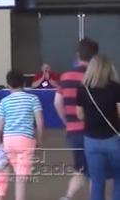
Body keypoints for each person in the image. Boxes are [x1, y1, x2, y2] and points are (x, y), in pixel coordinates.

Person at [56, 37, 100, 200]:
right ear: (96, 57)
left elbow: (57, 102)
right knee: (96, 171)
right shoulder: (97, 77)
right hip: (94, 131)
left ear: (77, 55)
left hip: (74, 131)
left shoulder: (66, 76)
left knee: (80, 169)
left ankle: (68, 197)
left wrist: (66, 121)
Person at [75, 54, 120, 200]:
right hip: (113, 139)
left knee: (97, 181)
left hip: (91, 140)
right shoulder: (116, 88)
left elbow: (80, 115)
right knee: (118, 180)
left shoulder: (83, 89)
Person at [0, 69, 44, 200]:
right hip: (26, 140)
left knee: (8, 170)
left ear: (8, 84)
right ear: (24, 83)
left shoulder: (4, 102)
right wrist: (39, 142)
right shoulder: (33, 99)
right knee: (20, 177)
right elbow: (40, 124)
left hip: (8, 141)